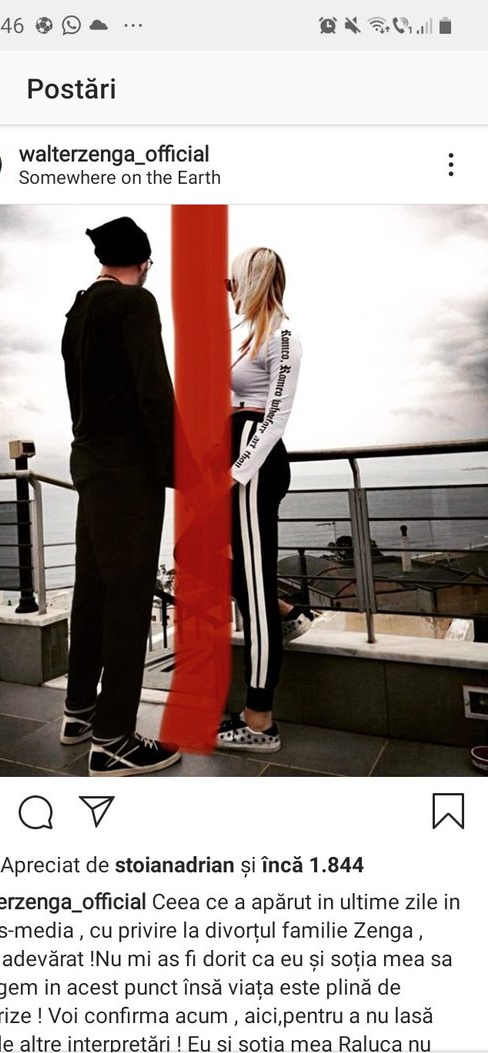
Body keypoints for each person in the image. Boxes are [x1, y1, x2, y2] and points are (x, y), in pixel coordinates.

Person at [61, 216, 181, 777]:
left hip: (89, 465)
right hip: (129, 475)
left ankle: (79, 711)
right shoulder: (136, 303)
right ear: (143, 262)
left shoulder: (78, 311)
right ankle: (113, 739)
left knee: (91, 592)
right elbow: (153, 390)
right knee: (129, 601)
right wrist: (180, 469)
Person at [217, 247, 302, 752]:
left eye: (233, 281)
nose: (228, 290)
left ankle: (259, 721)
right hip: (236, 459)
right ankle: (284, 610)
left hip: (252, 466)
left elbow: (276, 414)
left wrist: (237, 472)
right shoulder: (248, 335)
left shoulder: (283, 336)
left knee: (253, 595)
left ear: (252, 281)